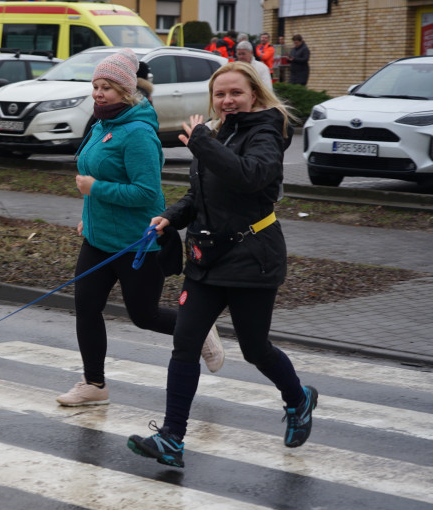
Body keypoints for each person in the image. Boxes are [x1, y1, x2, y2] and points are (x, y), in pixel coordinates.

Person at [127, 62, 317, 468]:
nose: (227, 101)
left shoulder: (267, 131)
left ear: (254, 96)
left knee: (254, 349)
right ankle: (172, 438)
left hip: (252, 259)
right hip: (206, 260)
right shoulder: (214, 133)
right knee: (185, 344)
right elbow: (200, 196)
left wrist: (201, 142)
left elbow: (250, 176)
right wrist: (170, 217)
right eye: (220, 94)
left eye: (236, 93)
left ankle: (298, 399)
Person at [56, 49, 225, 407]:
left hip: (138, 242)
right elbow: (95, 174)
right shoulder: (103, 124)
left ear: (127, 92)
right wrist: (89, 212)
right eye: (96, 86)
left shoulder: (137, 134)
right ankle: (94, 384)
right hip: (99, 239)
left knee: (144, 316)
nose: (98, 93)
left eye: (108, 88)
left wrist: (94, 190)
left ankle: (201, 330)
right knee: (86, 307)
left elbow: (147, 193)